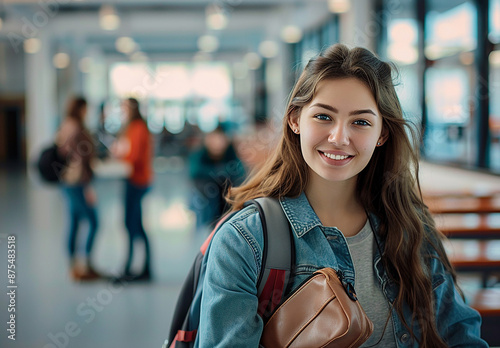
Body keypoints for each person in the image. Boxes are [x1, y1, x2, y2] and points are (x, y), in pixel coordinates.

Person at [195, 44, 487, 347]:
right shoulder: (244, 241)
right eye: (323, 117)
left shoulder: (412, 226)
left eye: (360, 122)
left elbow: (458, 334)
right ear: (295, 120)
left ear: (382, 135)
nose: (339, 138)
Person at [57, 96, 100, 281]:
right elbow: (81, 160)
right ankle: (85, 264)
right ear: (80, 108)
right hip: (77, 182)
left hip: (67, 181)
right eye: (85, 108)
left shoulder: (65, 125)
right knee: (93, 221)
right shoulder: (76, 128)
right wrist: (88, 187)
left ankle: (73, 266)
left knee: (74, 221)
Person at [112, 98, 153, 281]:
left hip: (138, 180)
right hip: (132, 179)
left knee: (133, 224)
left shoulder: (138, 128)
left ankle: (137, 267)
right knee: (131, 224)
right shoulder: (131, 128)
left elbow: (134, 156)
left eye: (125, 108)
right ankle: (133, 265)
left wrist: (119, 155)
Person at [188, 126, 246, 232]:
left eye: (220, 140)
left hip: (226, 193)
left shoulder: (230, 152)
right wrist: (220, 173)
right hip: (208, 195)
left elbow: (240, 171)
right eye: (213, 140)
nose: (217, 144)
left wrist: (217, 173)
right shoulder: (200, 153)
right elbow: (195, 171)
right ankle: (208, 223)